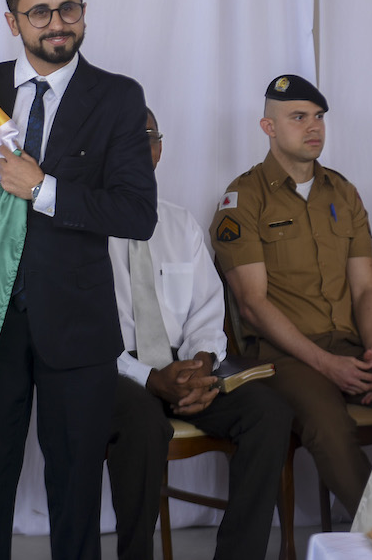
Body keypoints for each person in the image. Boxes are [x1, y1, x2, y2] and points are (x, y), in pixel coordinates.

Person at [0, 0, 157, 560]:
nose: (57, 23)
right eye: (39, 12)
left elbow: (136, 214)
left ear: (83, 12)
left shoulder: (118, 97)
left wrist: (42, 188)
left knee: (75, 493)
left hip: (77, 323)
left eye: (68, 8)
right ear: (13, 22)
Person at [208, 74, 372, 518]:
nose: (314, 127)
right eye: (298, 117)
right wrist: (326, 365)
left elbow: (367, 287)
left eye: (318, 117)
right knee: (328, 424)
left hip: (350, 350)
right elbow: (252, 305)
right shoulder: (243, 199)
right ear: (268, 127)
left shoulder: (343, 192)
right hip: (283, 359)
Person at [105, 108, 291, 560]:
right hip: (116, 369)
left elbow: (207, 309)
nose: (141, 147)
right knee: (142, 423)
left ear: (159, 149)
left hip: (182, 364)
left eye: (149, 136)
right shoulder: (80, 229)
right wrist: (151, 379)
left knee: (268, 413)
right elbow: (82, 331)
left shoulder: (179, 223)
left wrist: (201, 363)